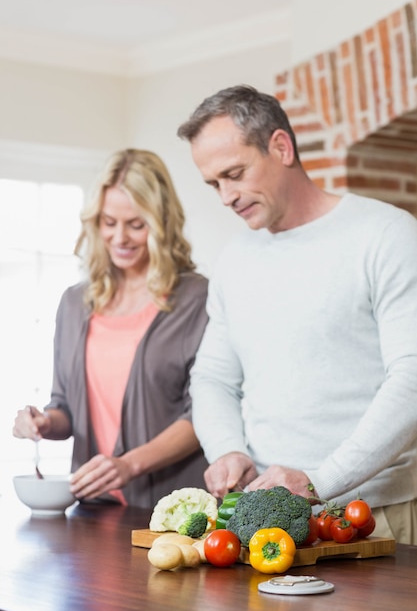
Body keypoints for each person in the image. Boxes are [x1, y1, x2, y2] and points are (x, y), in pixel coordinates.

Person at [177, 84, 417, 544]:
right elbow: (212, 378)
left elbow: (410, 377)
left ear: (281, 147)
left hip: (369, 514)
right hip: (267, 519)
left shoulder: (385, 234)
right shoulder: (236, 259)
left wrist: (319, 481)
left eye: (234, 173)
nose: (226, 196)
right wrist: (227, 449)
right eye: (214, 184)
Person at [13, 148, 209, 508]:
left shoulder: (197, 298)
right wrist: (43, 422)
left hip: (173, 513)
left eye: (136, 224)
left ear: (162, 222)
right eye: (108, 222)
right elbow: (65, 410)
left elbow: (205, 414)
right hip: (93, 509)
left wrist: (129, 464)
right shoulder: (75, 304)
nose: (120, 237)